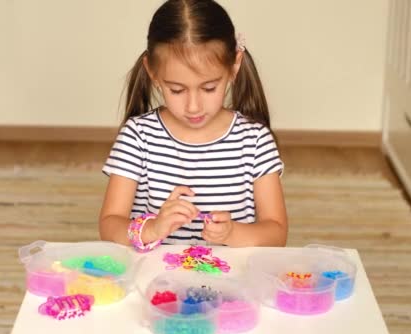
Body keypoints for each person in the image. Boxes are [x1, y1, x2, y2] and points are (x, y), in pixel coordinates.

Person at [99, 0, 287, 252]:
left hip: (234, 285)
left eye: (209, 88)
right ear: (152, 72)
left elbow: (276, 233)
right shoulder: (138, 137)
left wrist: (232, 232)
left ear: (234, 65)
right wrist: (153, 228)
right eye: (176, 90)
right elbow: (109, 226)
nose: (193, 106)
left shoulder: (254, 141)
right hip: (154, 283)